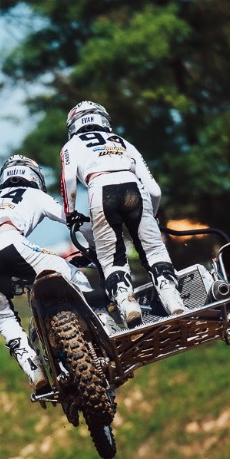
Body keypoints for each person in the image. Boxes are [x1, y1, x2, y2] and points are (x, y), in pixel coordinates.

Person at [0, 154, 95, 395]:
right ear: (35, 177)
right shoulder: (34, 194)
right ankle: (105, 326)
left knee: (3, 318)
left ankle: (34, 369)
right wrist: (94, 250)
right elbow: (74, 220)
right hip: (12, 242)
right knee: (74, 276)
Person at [60, 100, 183, 325]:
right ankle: (173, 300)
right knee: (154, 250)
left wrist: (70, 213)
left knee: (111, 258)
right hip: (134, 187)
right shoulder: (123, 141)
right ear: (104, 119)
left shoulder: (71, 145)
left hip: (100, 188)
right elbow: (155, 190)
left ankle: (128, 305)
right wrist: (152, 217)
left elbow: (68, 179)